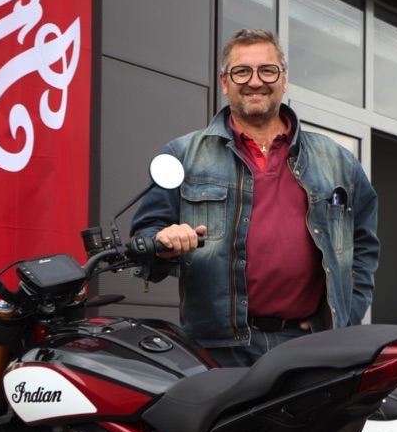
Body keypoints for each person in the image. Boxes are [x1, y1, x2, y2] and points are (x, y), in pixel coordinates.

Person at [131, 28, 379, 367]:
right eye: (242, 71)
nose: (255, 81)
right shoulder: (183, 155)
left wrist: (345, 316)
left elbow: (363, 245)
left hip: (308, 342)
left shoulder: (336, 160)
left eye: (268, 70)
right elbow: (144, 238)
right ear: (224, 82)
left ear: (284, 79)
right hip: (217, 348)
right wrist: (161, 241)